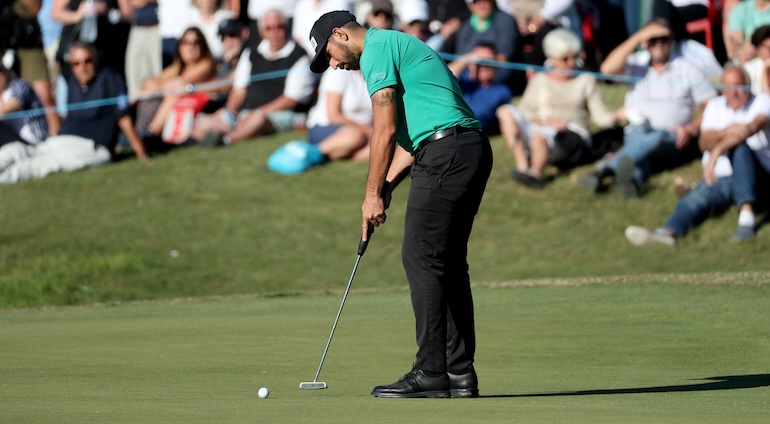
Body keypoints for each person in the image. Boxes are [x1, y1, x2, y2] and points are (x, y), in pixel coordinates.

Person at [309, 10, 493, 398]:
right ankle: (459, 373)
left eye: (328, 55)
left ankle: (430, 371)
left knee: (422, 258)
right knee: (448, 263)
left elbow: (386, 129)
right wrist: (388, 183)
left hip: (445, 153)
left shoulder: (376, 49)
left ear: (340, 35)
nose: (333, 66)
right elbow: (416, 136)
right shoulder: (398, 44)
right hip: (468, 149)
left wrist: (371, 194)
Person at [625, 66, 770, 245]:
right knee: (695, 200)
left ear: (748, 86)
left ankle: (747, 221)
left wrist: (717, 150)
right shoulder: (715, 106)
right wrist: (729, 131)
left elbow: (751, 128)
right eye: (728, 87)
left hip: (759, 175)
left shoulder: (762, 101)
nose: (734, 93)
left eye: (739, 86)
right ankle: (667, 233)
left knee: (740, 149)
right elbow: (704, 142)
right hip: (720, 177)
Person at [579, 19, 717, 199]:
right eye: (653, 39)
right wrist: (638, 36)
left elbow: (714, 106)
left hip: (673, 138)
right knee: (639, 145)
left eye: (664, 38)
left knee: (655, 137)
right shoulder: (636, 64)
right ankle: (633, 182)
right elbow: (606, 69)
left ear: (671, 40)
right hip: (638, 130)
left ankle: (605, 171)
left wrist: (690, 128)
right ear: (644, 42)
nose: (659, 43)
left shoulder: (688, 68)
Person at [0, 42, 149, 184]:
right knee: (16, 151)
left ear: (96, 60)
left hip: (90, 148)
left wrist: (142, 154)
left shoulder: (109, 77)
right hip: (60, 142)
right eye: (76, 63)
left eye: (87, 61)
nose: (82, 67)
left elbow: (123, 118)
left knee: (34, 167)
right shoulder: (73, 81)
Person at [496, 28, 616, 189]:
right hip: (541, 126)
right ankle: (522, 164)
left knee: (540, 136)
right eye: (565, 59)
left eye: (574, 57)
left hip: (571, 134)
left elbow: (600, 116)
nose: (571, 63)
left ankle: (535, 174)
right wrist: (545, 120)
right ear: (551, 58)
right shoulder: (539, 79)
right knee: (504, 111)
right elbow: (525, 112)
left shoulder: (586, 80)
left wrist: (618, 116)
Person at [190, 9, 314, 147]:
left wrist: (257, 112)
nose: (275, 32)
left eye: (279, 27)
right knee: (204, 122)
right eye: (269, 28)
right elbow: (239, 89)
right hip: (246, 113)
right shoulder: (252, 52)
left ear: (287, 28)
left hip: (280, 114)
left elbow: (291, 99)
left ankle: (225, 141)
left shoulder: (300, 56)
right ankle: (193, 142)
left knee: (257, 120)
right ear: (262, 32)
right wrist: (231, 112)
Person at [266, 67, 372, 174]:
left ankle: (338, 154)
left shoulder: (377, 74)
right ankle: (311, 154)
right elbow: (334, 116)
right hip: (327, 127)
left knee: (382, 146)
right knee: (355, 136)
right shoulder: (339, 72)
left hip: (365, 132)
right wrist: (371, 131)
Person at [134, 26, 216, 143]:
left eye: (195, 43)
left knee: (172, 94)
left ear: (202, 46)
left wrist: (158, 86)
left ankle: (151, 132)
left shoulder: (206, 64)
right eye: (186, 43)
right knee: (142, 93)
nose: (190, 47)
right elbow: (149, 82)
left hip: (197, 103)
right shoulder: (177, 67)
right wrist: (155, 87)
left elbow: (183, 81)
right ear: (180, 46)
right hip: (175, 98)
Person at [441, 0, 519, 86]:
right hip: (468, 77)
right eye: (476, 2)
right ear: (470, 6)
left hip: (496, 78)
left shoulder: (505, 20)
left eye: (485, 1)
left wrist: (484, 64)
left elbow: (504, 57)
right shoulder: (465, 25)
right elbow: (460, 57)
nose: (481, 5)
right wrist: (474, 57)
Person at [447, 42, 512, 133]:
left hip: (469, 132)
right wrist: (468, 58)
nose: (483, 66)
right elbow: (443, 79)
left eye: (488, 62)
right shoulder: (462, 82)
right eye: (479, 62)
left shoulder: (501, 91)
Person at [0, 65, 49, 146]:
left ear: (5, 70)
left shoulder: (20, 85)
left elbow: (9, 108)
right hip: (12, 142)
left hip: (34, 142)